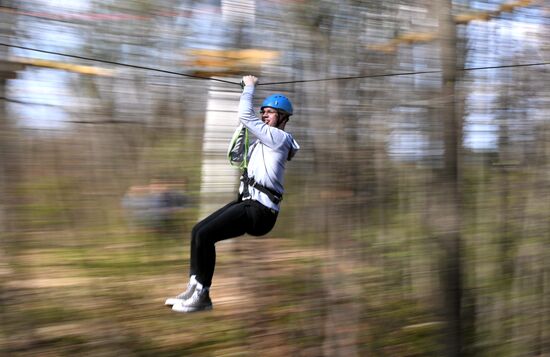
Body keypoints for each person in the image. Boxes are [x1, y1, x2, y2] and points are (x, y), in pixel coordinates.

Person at [165, 75, 300, 313]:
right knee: (198, 231)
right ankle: (195, 286)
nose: (265, 115)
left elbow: (245, 116)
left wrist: (249, 87)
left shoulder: (278, 139)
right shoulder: (262, 143)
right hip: (248, 204)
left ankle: (203, 295)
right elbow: (239, 151)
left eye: (270, 112)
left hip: (260, 212)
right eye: (264, 112)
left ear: (283, 118)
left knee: (206, 235)